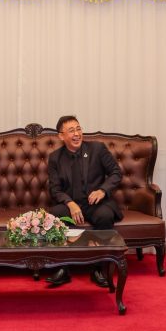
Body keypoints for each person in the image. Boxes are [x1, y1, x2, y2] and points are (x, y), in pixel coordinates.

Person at [45, 115, 123, 288]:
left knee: (105, 215)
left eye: (78, 129)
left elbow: (116, 173)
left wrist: (102, 190)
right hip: (71, 205)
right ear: (61, 136)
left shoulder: (97, 149)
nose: (77, 134)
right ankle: (63, 268)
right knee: (56, 215)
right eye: (71, 131)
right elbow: (55, 190)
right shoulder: (55, 158)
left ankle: (98, 268)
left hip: (95, 203)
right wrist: (70, 203)